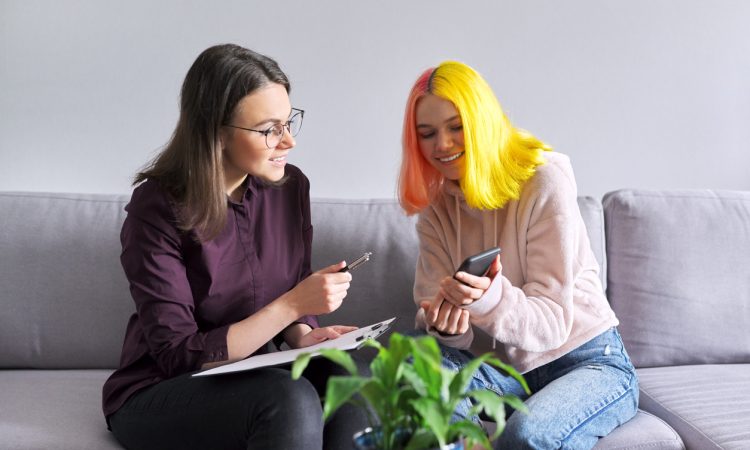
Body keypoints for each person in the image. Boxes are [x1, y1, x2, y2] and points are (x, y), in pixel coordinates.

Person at [102, 43, 367, 450]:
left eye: (289, 122)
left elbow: (289, 283)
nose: (288, 142)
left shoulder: (290, 187)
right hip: (165, 387)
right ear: (217, 132)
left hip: (256, 373)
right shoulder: (156, 206)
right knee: (288, 399)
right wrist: (294, 305)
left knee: (355, 376)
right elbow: (180, 354)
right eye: (269, 129)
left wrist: (301, 334)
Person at [398, 61, 639, 449]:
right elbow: (443, 334)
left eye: (456, 126)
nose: (442, 145)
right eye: (427, 134)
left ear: (482, 120)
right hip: (504, 372)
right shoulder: (435, 210)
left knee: (527, 437)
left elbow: (552, 324)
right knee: (416, 356)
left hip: (587, 361)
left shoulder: (544, 179)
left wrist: (487, 298)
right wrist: (449, 326)